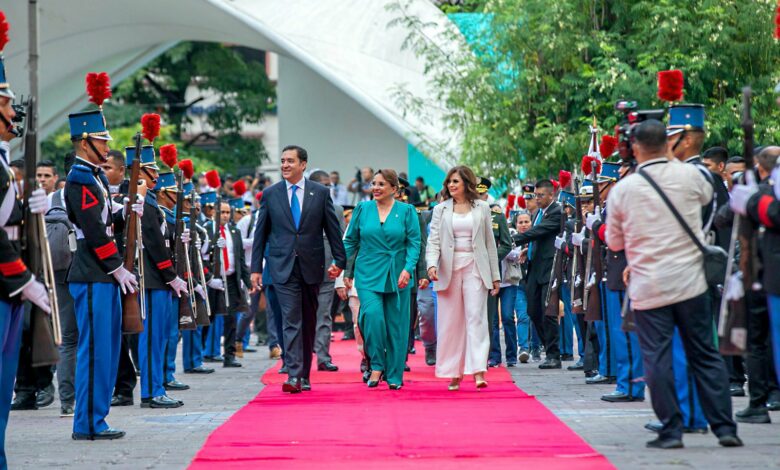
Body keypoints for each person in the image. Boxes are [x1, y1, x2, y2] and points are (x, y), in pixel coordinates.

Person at [607, 119, 740, 449]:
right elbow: (708, 196)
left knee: (658, 358)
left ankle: (671, 429)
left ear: (635, 148)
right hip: (691, 281)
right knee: (705, 354)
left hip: (649, 285)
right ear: (668, 144)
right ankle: (725, 427)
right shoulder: (692, 175)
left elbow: (613, 242)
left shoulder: (624, 189)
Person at [65, 75, 141, 440]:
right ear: (85, 142)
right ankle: (88, 424)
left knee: (107, 351)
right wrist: (116, 266)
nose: (107, 147)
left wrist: (125, 212)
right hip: (94, 273)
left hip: (102, 275)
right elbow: (93, 231)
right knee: (95, 352)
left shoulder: (93, 177)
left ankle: (98, 417)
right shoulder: (79, 178)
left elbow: (105, 222)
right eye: (101, 140)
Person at [251, 145, 346, 393]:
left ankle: (304, 374)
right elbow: (261, 233)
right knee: (291, 320)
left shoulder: (320, 192)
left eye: (290, 161)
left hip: (312, 266)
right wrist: (255, 268)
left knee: (308, 321)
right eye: (282, 161)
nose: (284, 165)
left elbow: (333, 230)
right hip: (282, 266)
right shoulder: (271, 194)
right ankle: (293, 375)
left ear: (303, 164)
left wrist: (340, 261)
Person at [0, 48, 51, 462]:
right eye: (4, 104)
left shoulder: (4, 166)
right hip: (5, 282)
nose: (12, 112)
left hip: (9, 288)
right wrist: (23, 277)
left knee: (3, 384)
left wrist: (25, 207)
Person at [343, 169, 421, 389]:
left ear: (394, 189)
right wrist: (340, 265)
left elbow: (414, 243)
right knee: (372, 317)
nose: (375, 188)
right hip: (367, 272)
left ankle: (395, 375)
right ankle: (376, 364)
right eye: (373, 184)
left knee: (397, 325)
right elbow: (350, 241)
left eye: (381, 184)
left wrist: (408, 269)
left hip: (398, 273)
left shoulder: (407, 211)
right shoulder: (362, 209)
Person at [427, 165, 500, 390]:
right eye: (449, 181)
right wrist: (431, 264)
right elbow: (434, 241)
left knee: (476, 318)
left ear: (467, 183)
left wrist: (495, 276)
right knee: (450, 322)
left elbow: (490, 243)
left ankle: (478, 370)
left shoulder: (482, 207)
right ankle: (453, 372)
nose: (451, 185)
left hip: (475, 268)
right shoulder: (440, 209)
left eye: (455, 181)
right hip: (447, 269)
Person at [133, 145, 188, 409]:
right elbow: (154, 243)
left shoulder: (151, 201)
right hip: (153, 280)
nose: (155, 174)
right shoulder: (141, 200)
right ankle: (151, 391)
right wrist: (170, 276)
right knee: (152, 340)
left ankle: (156, 387)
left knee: (160, 338)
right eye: (150, 170)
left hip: (159, 280)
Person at [512, 179, 563, 369]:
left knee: (548, 312)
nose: (538, 198)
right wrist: (528, 249)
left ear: (551, 195)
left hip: (548, 269)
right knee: (533, 311)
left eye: (541, 195)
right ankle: (547, 346)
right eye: (536, 195)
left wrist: (514, 239)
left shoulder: (556, 212)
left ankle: (553, 354)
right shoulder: (539, 213)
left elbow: (539, 232)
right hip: (534, 268)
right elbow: (537, 237)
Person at [206, 201, 252, 368]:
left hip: (231, 279)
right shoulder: (207, 229)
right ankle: (205, 352)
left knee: (231, 319)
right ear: (213, 212)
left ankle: (229, 355)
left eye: (227, 212)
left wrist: (247, 282)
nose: (225, 215)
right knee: (209, 317)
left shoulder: (234, 231)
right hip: (213, 280)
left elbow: (240, 258)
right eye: (222, 212)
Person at [309, 170, 345, 372]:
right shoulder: (302, 207)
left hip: (328, 271)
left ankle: (323, 357)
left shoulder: (337, 210)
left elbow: (340, 241)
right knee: (302, 316)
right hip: (304, 269)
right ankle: (296, 359)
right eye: (324, 185)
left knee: (324, 315)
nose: (328, 189)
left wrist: (339, 266)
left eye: (329, 185)